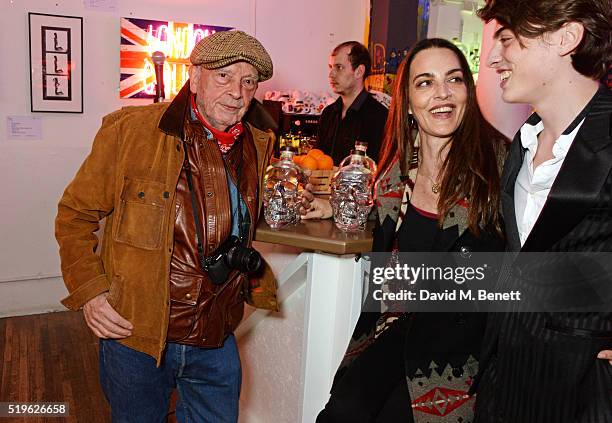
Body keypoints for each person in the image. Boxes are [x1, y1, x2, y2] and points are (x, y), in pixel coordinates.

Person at [55, 30, 313, 422]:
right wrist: (91, 292)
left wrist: (296, 206)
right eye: (224, 76)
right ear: (194, 78)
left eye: (248, 82)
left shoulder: (259, 142)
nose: (237, 93)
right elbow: (75, 214)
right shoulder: (132, 131)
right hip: (137, 334)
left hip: (216, 334)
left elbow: (232, 212)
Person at [316, 38, 508, 423]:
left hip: (462, 353)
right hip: (396, 329)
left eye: (454, 79)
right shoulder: (395, 174)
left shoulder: (500, 166)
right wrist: (334, 208)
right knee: (340, 412)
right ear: (405, 100)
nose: (442, 93)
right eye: (425, 82)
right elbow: (397, 237)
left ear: (468, 91)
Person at [474, 0, 612, 421]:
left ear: (566, 38)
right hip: (507, 381)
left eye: (508, 40)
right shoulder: (523, 141)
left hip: (584, 392)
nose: (493, 57)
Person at [317, 41, 388, 164]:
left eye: (339, 67)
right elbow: (317, 159)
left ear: (359, 71)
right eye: (331, 67)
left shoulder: (379, 116)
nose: (331, 74)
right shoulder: (328, 113)